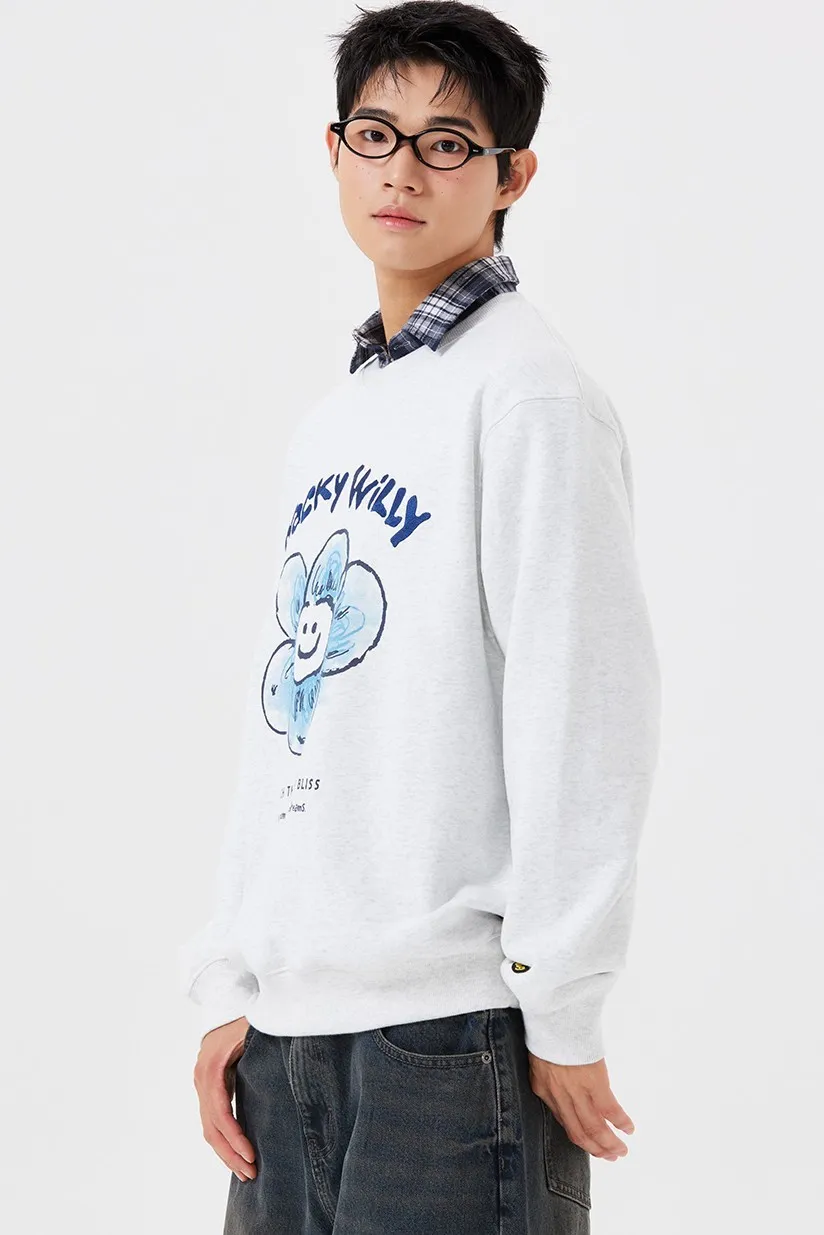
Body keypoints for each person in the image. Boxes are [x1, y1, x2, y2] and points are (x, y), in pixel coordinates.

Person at [177, 3, 662, 1231]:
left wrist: (560, 1000)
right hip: (286, 1034)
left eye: (447, 144)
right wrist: (234, 974)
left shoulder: (529, 396)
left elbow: (583, 703)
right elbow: (288, 719)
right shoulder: (337, 418)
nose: (401, 170)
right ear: (333, 149)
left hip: (447, 1041)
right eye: (375, 134)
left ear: (511, 176)